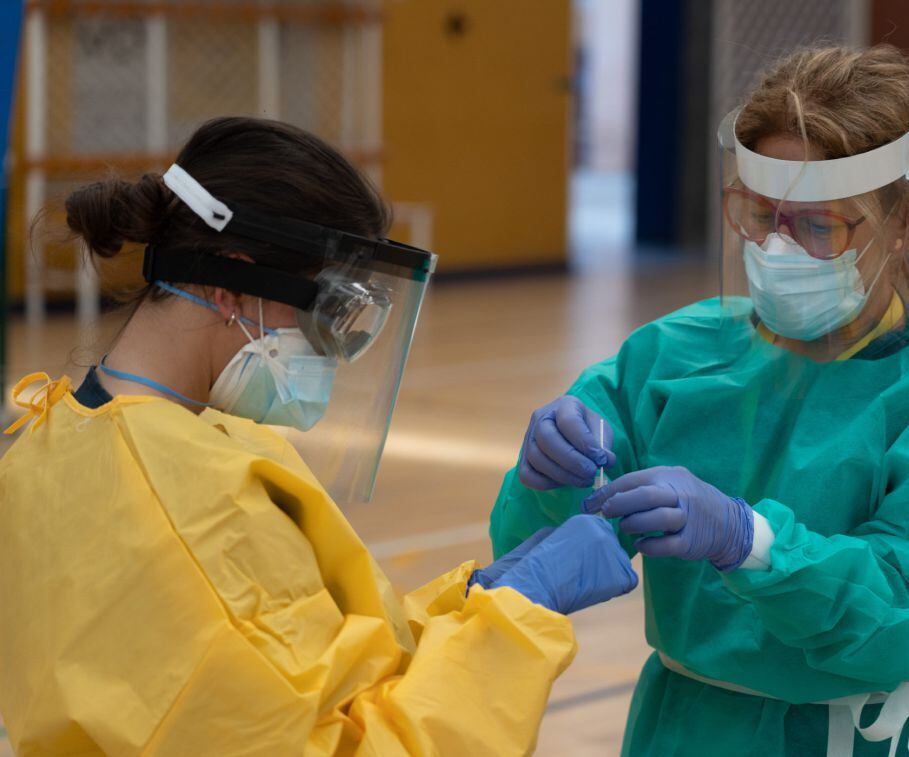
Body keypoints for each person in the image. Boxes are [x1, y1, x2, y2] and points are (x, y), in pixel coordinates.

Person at [0, 117, 638, 756]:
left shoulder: (52, 439)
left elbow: (309, 670)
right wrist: (516, 620)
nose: (332, 352)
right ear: (229, 284)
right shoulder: (197, 508)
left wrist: (472, 603)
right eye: (328, 312)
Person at [489, 45, 909, 756]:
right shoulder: (672, 358)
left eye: (820, 226)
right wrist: (547, 479)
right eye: (760, 216)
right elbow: (532, 550)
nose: (778, 247)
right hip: (683, 728)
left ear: (906, 225)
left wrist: (754, 542)